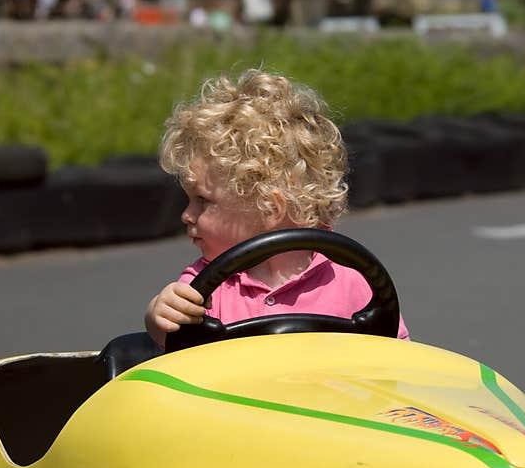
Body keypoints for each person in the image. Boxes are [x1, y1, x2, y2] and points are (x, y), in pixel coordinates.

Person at [144, 68, 410, 348]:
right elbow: (173, 338)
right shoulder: (205, 287)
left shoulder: (350, 280)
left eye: (203, 201)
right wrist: (158, 315)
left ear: (269, 207)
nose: (186, 215)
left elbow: (395, 357)